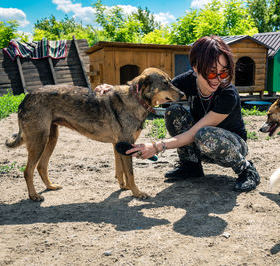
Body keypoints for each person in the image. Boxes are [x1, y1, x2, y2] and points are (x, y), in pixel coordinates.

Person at [96, 35, 260, 192]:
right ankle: (191, 166)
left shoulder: (228, 94)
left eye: (223, 72)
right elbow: (153, 92)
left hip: (233, 145)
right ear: (195, 68)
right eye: (211, 72)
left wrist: (156, 146)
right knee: (173, 112)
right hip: (201, 141)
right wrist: (113, 90)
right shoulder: (187, 81)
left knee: (204, 133)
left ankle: (246, 169)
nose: (217, 78)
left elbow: (194, 133)